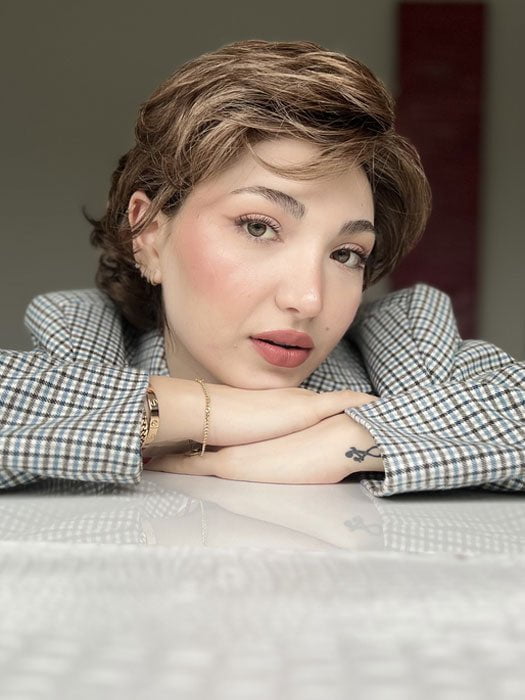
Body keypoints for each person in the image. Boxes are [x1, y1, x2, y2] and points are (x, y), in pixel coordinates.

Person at [1, 39, 523, 497]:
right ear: (151, 232)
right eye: (258, 227)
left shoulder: (404, 349)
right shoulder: (85, 339)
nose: (308, 299)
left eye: (346, 254)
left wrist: (357, 440)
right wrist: (195, 412)